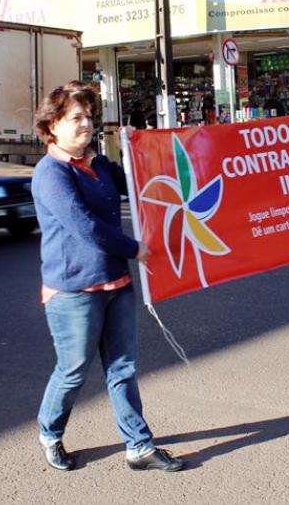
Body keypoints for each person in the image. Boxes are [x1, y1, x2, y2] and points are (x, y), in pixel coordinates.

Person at [30, 80, 184, 472]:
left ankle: (139, 446)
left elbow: (138, 177)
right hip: (74, 290)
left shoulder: (98, 164)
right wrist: (137, 249)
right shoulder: (50, 174)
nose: (86, 124)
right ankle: (49, 431)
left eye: (89, 116)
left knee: (123, 368)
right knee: (73, 371)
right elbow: (86, 228)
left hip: (117, 283)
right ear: (53, 126)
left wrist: (137, 143)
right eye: (75, 118)